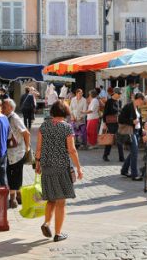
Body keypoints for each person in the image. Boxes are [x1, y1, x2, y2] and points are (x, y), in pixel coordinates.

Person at [35, 101, 83, 243]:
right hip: (61, 167)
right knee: (61, 202)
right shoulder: (67, 127)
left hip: (47, 167)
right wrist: (79, 167)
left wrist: (37, 163)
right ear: (65, 112)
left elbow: (38, 148)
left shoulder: (44, 126)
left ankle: (46, 223)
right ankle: (58, 233)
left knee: (51, 199)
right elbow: (72, 150)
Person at [3, 98, 31, 209]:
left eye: (4, 106)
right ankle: (18, 196)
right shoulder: (7, 117)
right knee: (14, 175)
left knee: (14, 175)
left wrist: (27, 147)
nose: (2, 108)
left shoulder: (14, 118)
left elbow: (26, 133)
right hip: (11, 152)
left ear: (10, 107)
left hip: (17, 152)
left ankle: (13, 199)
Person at [118, 92, 144, 181]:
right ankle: (134, 174)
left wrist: (141, 131)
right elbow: (120, 119)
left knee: (133, 152)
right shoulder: (128, 106)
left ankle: (124, 170)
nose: (142, 103)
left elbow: (139, 121)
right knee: (135, 152)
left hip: (136, 132)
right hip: (130, 132)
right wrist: (131, 122)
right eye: (141, 100)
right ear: (137, 99)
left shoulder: (137, 108)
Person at [101, 88, 125, 162]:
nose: (120, 96)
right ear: (115, 93)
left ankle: (121, 157)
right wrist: (104, 123)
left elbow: (120, 111)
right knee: (110, 139)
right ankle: (105, 155)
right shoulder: (109, 102)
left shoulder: (119, 101)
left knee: (119, 139)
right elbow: (105, 113)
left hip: (118, 122)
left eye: (120, 94)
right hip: (110, 123)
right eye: (119, 94)